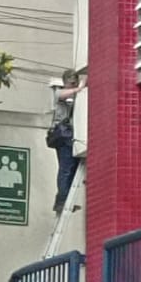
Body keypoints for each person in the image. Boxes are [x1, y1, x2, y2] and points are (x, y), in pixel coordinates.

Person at [46, 69, 81, 214]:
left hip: (70, 137)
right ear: (65, 82)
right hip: (62, 136)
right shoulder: (59, 93)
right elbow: (63, 95)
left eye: (75, 82)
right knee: (65, 169)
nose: (73, 85)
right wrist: (79, 88)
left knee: (73, 168)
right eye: (71, 83)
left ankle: (67, 200)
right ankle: (61, 201)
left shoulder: (74, 95)